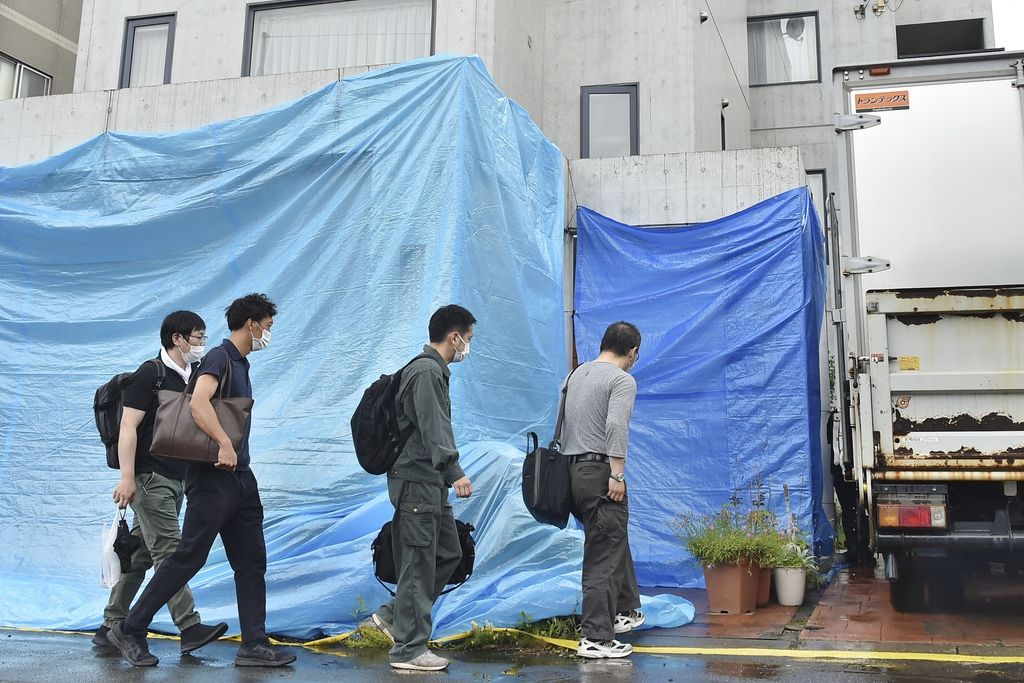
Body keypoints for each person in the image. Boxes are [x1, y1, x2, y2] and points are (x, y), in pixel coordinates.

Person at [108, 293, 295, 668]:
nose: (269, 334)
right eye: (268, 326)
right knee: (187, 557)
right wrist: (224, 443)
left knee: (252, 561)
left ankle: (254, 645)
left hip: (241, 477)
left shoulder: (240, 364)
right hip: (212, 478)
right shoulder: (219, 358)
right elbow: (198, 403)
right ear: (251, 324)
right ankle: (130, 627)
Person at [93, 310, 228, 655]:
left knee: (139, 556)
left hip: (178, 478)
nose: (201, 344)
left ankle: (109, 626)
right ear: (177, 339)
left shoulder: (194, 376)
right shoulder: (149, 375)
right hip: (149, 478)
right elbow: (128, 428)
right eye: (197, 338)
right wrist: (127, 477)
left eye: (203, 338)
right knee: (170, 552)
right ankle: (189, 626)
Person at [367, 304, 476, 671]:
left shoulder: (432, 371)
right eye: (468, 339)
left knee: (448, 552)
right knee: (417, 566)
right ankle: (409, 651)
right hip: (417, 483)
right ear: (454, 337)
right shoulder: (427, 372)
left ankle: (396, 614)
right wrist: (454, 471)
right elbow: (434, 429)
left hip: (427, 484)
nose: (468, 346)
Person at [562, 321, 645, 659]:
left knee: (611, 537)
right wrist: (617, 474)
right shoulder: (622, 380)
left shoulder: (576, 375)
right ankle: (596, 637)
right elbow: (615, 425)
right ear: (633, 352)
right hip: (600, 472)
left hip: (573, 471)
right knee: (602, 554)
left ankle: (627, 611)